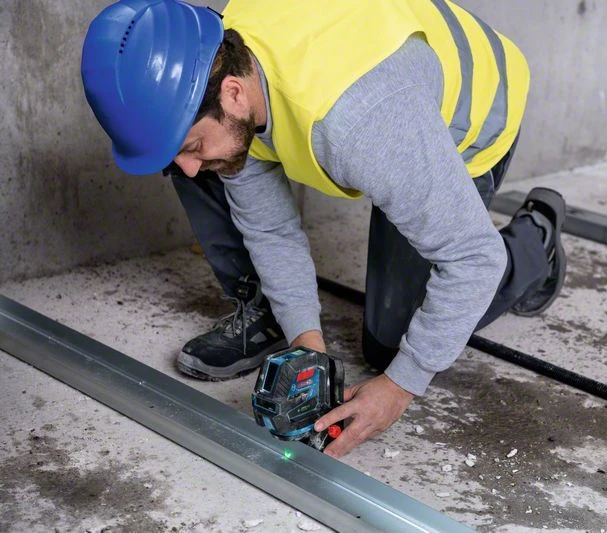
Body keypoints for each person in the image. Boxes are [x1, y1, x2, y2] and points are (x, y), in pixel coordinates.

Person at [81, 0, 567, 458]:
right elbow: (270, 229)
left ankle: (535, 240)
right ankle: (268, 313)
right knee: (211, 164)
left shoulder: (362, 124)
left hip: (467, 117)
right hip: (389, 113)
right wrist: (305, 342)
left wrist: (399, 387)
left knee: (394, 343)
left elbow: (473, 259)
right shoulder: (222, 65)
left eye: (191, 145)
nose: (188, 167)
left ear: (233, 92)